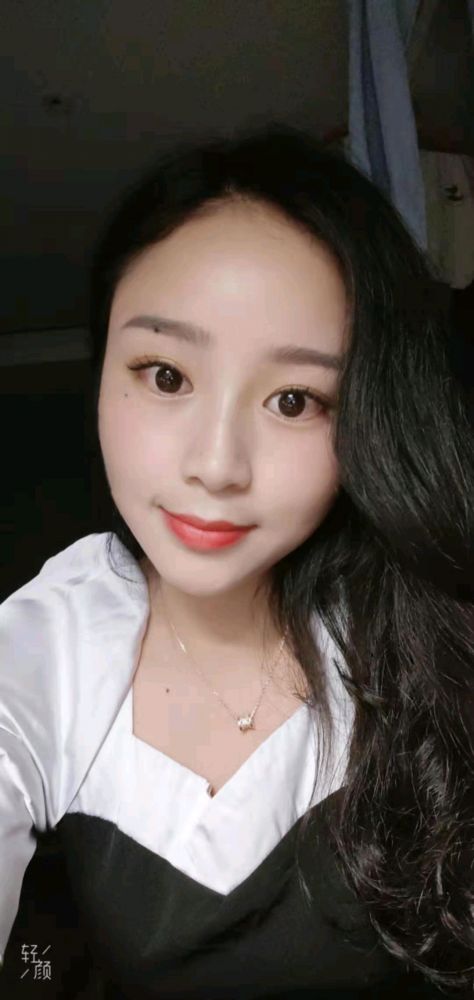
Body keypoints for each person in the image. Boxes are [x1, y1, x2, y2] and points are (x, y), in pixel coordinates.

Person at [1, 123, 473, 1000]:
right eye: (166, 376)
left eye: (293, 400)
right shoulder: (50, 639)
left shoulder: (421, 618)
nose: (217, 466)